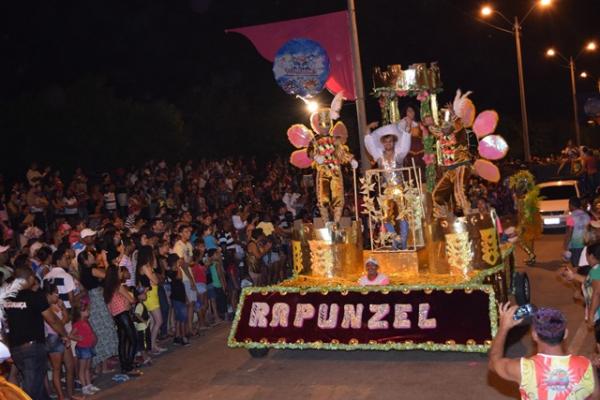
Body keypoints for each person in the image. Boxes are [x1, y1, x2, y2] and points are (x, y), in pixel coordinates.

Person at [489, 303, 597, 399]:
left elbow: (493, 363)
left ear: (534, 335)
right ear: (565, 334)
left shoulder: (522, 369)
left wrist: (503, 327)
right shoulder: (587, 366)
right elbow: (595, 396)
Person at [5, 267, 72, 400]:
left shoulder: (7, 299)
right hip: (32, 349)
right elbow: (52, 319)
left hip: (16, 349)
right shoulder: (34, 297)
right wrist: (64, 334)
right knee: (31, 391)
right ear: (30, 279)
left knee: (37, 386)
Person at [104, 261, 140, 377]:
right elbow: (131, 300)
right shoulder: (118, 286)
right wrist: (136, 297)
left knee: (123, 341)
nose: (121, 273)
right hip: (123, 314)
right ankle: (128, 366)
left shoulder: (109, 287)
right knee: (133, 339)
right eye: (120, 271)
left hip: (117, 316)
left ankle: (125, 365)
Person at [71, 306, 100, 396]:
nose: (88, 311)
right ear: (80, 312)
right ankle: (84, 387)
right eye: (86, 310)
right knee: (82, 368)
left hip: (88, 347)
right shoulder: (78, 323)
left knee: (87, 368)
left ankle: (89, 385)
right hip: (83, 348)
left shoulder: (86, 322)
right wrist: (78, 338)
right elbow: (71, 334)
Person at [166, 254, 190, 346]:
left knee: (180, 318)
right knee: (182, 318)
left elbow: (181, 282)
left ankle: (178, 336)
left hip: (180, 296)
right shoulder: (171, 271)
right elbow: (179, 277)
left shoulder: (175, 270)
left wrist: (186, 297)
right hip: (176, 297)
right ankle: (183, 337)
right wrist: (179, 267)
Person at [564, 197, 591, 271]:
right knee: (585, 266)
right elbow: (589, 230)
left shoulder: (571, 217)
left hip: (575, 246)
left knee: (576, 267)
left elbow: (569, 232)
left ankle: (579, 280)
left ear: (571, 205)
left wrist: (565, 246)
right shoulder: (587, 216)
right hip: (586, 245)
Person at [133, 288, 152, 365]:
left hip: (144, 327)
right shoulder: (140, 305)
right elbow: (137, 314)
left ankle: (145, 356)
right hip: (142, 327)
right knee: (143, 343)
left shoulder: (141, 304)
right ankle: (145, 357)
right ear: (139, 296)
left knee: (144, 342)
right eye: (143, 294)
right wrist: (144, 321)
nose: (146, 295)